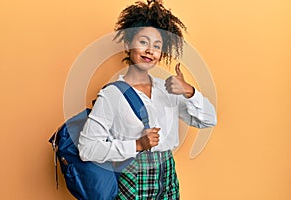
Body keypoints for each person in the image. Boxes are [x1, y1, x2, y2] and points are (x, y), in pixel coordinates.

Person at [78, 0, 217, 199]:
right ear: (128, 44)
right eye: (143, 42)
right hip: (133, 183)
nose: (150, 50)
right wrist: (137, 145)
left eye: (157, 46)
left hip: (168, 180)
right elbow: (87, 149)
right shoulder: (112, 95)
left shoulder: (168, 90)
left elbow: (209, 120)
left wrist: (188, 91)